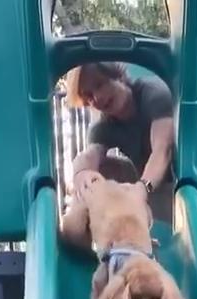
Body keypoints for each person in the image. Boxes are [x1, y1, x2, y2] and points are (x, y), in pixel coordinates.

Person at [66, 62, 175, 222]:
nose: (97, 98)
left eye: (100, 84)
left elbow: (162, 152)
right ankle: (93, 231)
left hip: (181, 185)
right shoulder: (103, 127)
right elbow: (90, 155)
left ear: (120, 76)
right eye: (89, 96)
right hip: (147, 190)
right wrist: (81, 174)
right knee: (97, 171)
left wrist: (142, 189)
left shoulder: (154, 93)